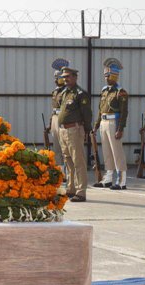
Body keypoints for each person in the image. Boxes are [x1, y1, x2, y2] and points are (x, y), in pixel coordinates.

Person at [56, 67, 93, 202]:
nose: (66, 79)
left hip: (74, 130)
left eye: (68, 76)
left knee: (78, 161)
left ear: (75, 77)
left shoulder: (80, 94)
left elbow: (87, 114)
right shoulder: (65, 93)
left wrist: (87, 129)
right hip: (63, 130)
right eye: (64, 77)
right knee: (68, 160)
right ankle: (71, 188)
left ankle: (81, 191)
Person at [93, 59, 128, 190]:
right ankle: (108, 177)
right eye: (105, 75)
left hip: (114, 122)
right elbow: (100, 109)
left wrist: (120, 128)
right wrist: (96, 125)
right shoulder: (104, 91)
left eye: (109, 76)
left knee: (116, 151)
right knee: (107, 151)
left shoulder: (120, 92)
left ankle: (121, 180)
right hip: (104, 122)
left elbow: (124, 112)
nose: (106, 78)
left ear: (115, 76)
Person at [49, 58, 69, 168]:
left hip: (63, 119)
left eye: (57, 78)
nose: (55, 80)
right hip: (55, 118)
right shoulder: (55, 91)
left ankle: (67, 170)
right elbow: (53, 109)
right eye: (55, 78)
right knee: (56, 146)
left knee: (64, 146)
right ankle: (60, 169)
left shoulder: (67, 91)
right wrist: (50, 123)